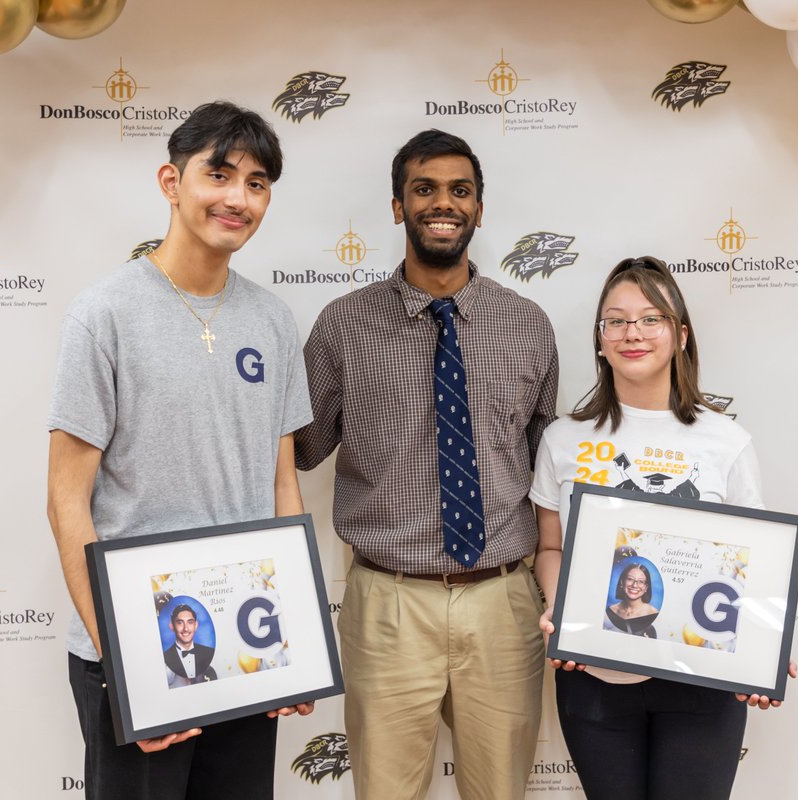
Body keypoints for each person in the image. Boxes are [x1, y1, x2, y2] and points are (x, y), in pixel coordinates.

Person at [46, 101, 314, 800]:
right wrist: (126, 662)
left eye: (257, 183)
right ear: (171, 181)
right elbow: (67, 499)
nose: (237, 198)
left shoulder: (275, 321)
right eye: (219, 174)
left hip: (243, 647)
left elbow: (283, 488)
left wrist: (296, 642)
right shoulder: (103, 314)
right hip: (136, 645)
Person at [294, 129, 559, 800]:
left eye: (460, 190)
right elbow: (299, 449)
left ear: (479, 207)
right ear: (397, 206)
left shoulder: (527, 325)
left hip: (503, 599)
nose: (444, 203)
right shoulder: (342, 326)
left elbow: (546, 464)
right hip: (387, 603)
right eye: (425, 188)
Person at [531, 256, 796, 800]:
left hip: (702, 684)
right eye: (616, 320)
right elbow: (550, 545)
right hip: (595, 679)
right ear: (600, 339)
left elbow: (753, 563)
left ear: (680, 334)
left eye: (651, 318)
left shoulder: (726, 441)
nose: (633, 333)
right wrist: (563, 612)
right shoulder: (562, 439)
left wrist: (764, 646)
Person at [163, 604, 217, 688]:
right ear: (172, 626)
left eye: (190, 622)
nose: (186, 629)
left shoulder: (208, 652)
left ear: (196, 625)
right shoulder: (165, 657)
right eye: (180, 623)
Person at [604, 562, 659, 637]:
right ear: (622, 582)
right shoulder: (609, 611)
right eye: (630, 579)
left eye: (641, 582)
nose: (634, 585)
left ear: (646, 587)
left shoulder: (653, 614)